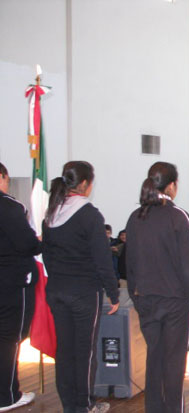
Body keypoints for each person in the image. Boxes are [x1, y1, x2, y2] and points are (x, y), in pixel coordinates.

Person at [125, 161, 189, 412]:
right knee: (174, 366)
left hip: (146, 299)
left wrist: (136, 297)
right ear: (172, 186)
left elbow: (129, 264)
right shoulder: (177, 216)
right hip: (175, 304)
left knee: (154, 361)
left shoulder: (135, 216)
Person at [42, 161, 120, 413]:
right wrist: (113, 292)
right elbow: (102, 258)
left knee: (64, 350)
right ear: (85, 184)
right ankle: (84, 405)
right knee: (84, 352)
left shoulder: (52, 212)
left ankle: (70, 406)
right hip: (83, 293)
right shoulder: (89, 214)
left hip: (56, 290)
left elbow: (47, 256)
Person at [0, 162, 40, 412]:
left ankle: (10, 391)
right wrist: (39, 242)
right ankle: (7, 396)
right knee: (10, 338)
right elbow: (26, 244)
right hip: (12, 282)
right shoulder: (10, 207)